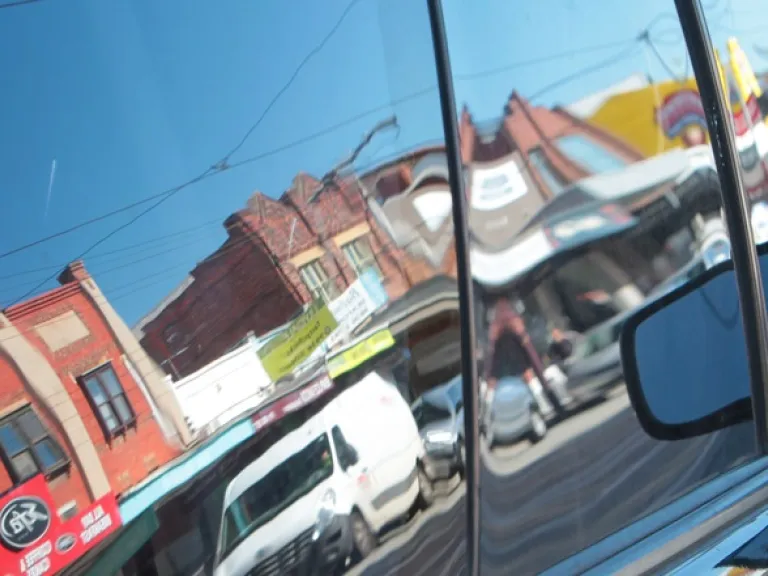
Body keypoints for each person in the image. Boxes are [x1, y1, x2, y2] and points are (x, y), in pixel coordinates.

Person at [483, 299, 566, 417]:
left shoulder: (525, 328)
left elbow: (535, 353)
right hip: (509, 376)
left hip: (527, 367)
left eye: (505, 310)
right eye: (500, 311)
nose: (504, 315)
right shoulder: (496, 341)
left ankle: (549, 406)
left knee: (535, 379)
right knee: (492, 390)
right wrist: (492, 339)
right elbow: (492, 366)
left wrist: (522, 335)